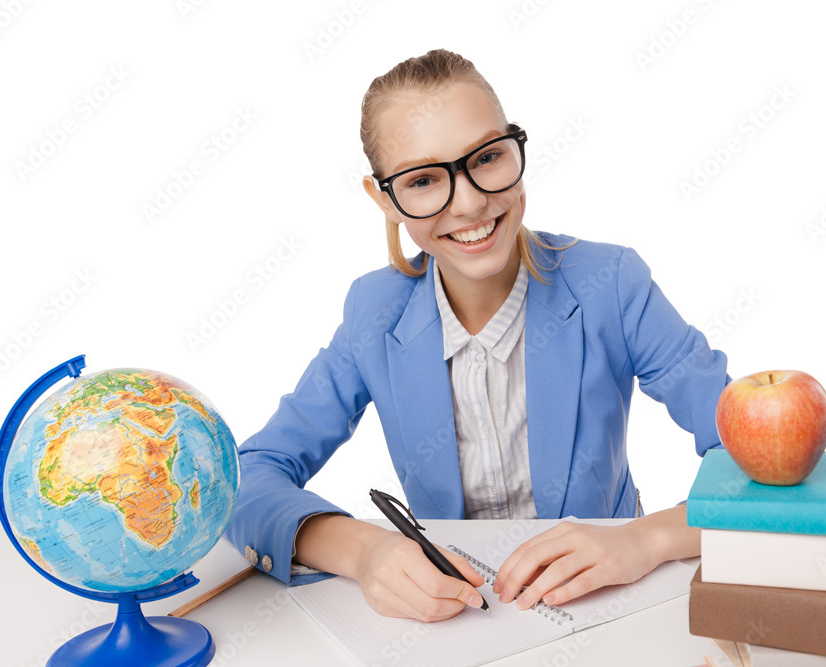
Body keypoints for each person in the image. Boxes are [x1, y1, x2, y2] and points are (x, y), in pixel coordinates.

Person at [224, 48, 729, 623]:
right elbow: (247, 480)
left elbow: (754, 461)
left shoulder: (611, 283)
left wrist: (644, 541)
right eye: (422, 179)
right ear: (383, 198)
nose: (469, 203)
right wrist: (365, 552)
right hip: (458, 623)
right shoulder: (374, 312)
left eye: (486, 157)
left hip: (607, 606)